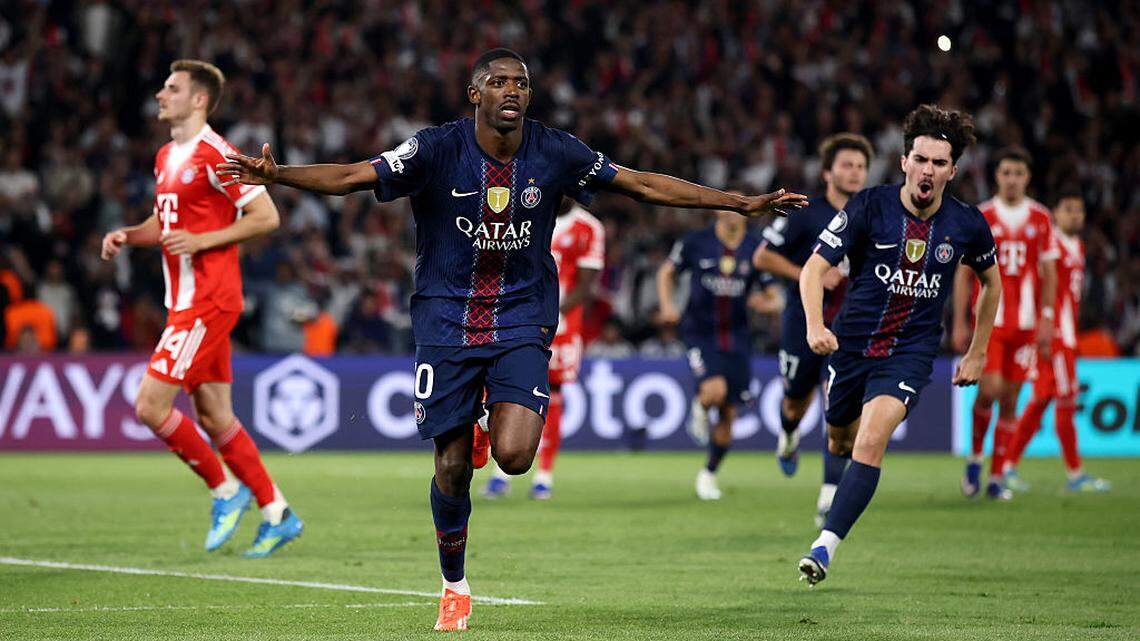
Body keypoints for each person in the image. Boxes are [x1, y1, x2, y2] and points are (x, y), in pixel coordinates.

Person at [217, 48, 806, 630]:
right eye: (497, 82)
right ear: (475, 94)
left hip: (523, 315)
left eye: (520, 83)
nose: (511, 91)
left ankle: (484, 432)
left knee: (517, 457)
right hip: (446, 321)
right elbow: (352, 176)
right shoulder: (435, 147)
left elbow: (641, 184)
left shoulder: (555, 150)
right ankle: (454, 584)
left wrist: (738, 202)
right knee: (450, 467)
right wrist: (279, 176)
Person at [100, 60, 302, 557]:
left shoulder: (217, 153)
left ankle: (224, 489)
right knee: (214, 415)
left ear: (199, 100)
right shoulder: (167, 154)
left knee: (150, 405)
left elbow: (265, 215)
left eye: (171, 88)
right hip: (185, 301)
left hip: (208, 300)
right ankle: (277, 512)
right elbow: (164, 221)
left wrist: (206, 238)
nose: (159, 95)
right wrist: (130, 235)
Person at [796, 105, 1000, 586]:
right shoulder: (870, 206)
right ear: (905, 161)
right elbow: (812, 269)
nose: (928, 170)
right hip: (851, 347)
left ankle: (824, 547)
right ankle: (832, 498)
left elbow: (992, 284)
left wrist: (977, 350)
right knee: (839, 439)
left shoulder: (967, 223)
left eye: (939, 163)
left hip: (909, 352)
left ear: (953, 170)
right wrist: (813, 326)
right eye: (921, 159)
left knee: (871, 439)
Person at [754, 133, 871, 526]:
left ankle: (829, 495)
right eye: (846, 165)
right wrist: (810, 275)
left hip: (851, 327)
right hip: (802, 322)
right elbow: (763, 257)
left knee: (836, 407)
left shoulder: (873, 215)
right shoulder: (805, 212)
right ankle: (788, 436)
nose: (854, 172)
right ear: (827, 172)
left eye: (860, 166)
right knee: (795, 403)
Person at [952, 146, 1057, 500]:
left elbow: (1049, 272)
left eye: (1019, 173)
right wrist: (959, 322)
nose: (1012, 179)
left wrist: (1046, 317)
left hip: (1026, 325)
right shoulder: (982, 215)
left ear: (1027, 178)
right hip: (990, 323)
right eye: (1006, 172)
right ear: (997, 176)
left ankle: (996, 477)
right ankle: (975, 457)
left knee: (1011, 400)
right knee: (990, 390)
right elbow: (964, 273)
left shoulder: (1041, 218)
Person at [482, 197, 605, 500]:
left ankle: (544, 476)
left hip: (563, 324)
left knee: (554, 396)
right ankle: (500, 473)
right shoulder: (527, 216)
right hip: (519, 319)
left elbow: (586, 286)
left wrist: (556, 313)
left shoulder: (589, 228)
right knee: (508, 389)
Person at [657, 198, 764, 500]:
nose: (733, 211)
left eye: (739, 206)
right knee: (714, 392)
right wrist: (667, 305)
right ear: (717, 210)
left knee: (729, 412)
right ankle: (699, 407)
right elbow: (666, 272)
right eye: (728, 205)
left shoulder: (757, 247)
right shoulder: (696, 242)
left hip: (739, 337)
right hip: (700, 333)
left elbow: (771, 292)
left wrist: (767, 302)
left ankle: (709, 475)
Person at [1003, 193, 1110, 492]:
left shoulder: (1078, 245)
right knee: (1065, 399)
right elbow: (1040, 289)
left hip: (1066, 335)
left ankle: (1007, 467)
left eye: (1079, 210)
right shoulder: (1053, 247)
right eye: (1068, 210)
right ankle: (1075, 474)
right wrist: (1044, 330)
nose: (1075, 215)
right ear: (1055, 214)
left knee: (1040, 401)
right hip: (1056, 337)